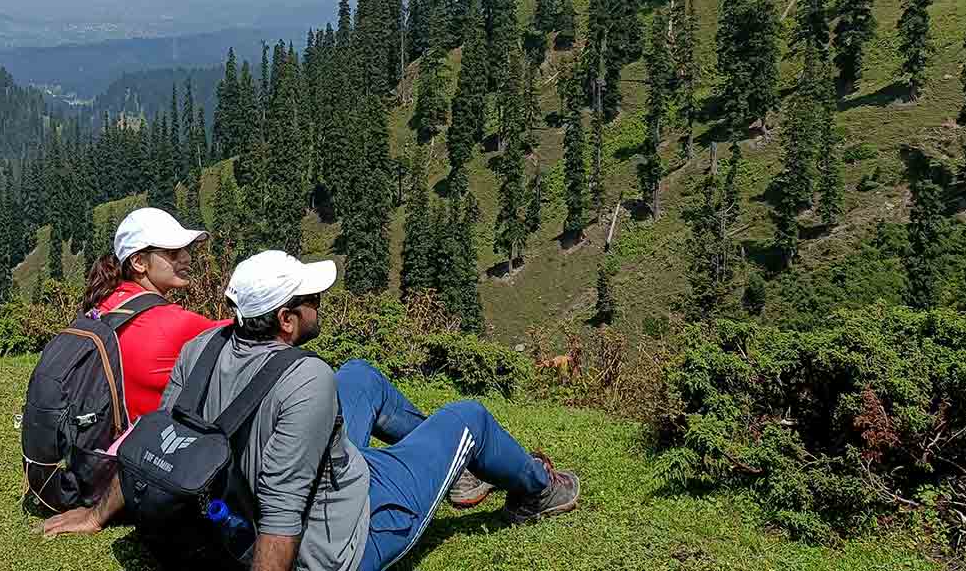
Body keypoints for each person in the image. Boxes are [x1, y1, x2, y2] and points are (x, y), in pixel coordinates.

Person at [43, 250, 581, 571]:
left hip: (238, 506)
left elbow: (155, 441)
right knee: (471, 418)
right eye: (311, 299)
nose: (320, 304)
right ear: (286, 320)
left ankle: (457, 476)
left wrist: (97, 515)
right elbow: (281, 509)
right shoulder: (305, 379)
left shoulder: (201, 350)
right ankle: (538, 491)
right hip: (340, 539)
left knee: (361, 374)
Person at [82, 206, 230, 422]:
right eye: (172, 252)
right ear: (139, 262)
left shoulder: (101, 305)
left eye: (186, 249)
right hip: (149, 449)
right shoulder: (173, 324)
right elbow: (253, 328)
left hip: (99, 445)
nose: (187, 258)